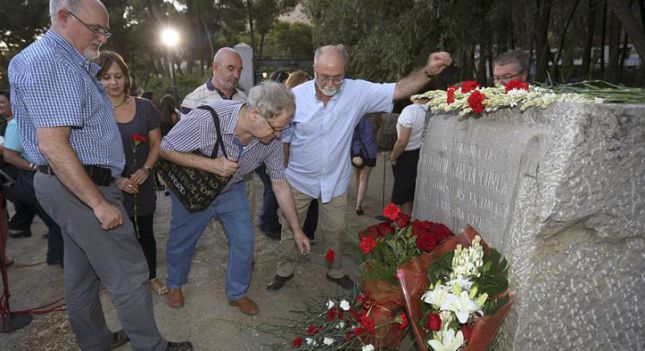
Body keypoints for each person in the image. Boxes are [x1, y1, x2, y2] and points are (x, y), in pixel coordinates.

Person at [8, 0, 192, 350]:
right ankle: (152, 347)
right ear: (63, 17)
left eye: (105, 30)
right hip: (81, 187)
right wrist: (97, 202)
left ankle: (96, 341)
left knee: (81, 276)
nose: (102, 37)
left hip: (69, 184)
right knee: (130, 272)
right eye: (96, 29)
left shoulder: (54, 60)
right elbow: (52, 144)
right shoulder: (54, 63)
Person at [267, 45, 452, 291]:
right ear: (314, 70)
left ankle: (335, 270)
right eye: (324, 76)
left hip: (335, 181)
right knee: (291, 228)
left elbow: (398, 89)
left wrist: (427, 72)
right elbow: (283, 139)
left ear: (345, 71)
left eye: (337, 77)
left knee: (336, 231)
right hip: (298, 180)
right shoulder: (294, 97)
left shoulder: (356, 91)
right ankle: (284, 268)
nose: (331, 83)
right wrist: (282, 174)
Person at [161, 82, 310, 315]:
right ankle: (173, 285)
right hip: (195, 191)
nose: (280, 135)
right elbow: (166, 147)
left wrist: (297, 230)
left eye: (283, 129)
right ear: (255, 115)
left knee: (245, 240)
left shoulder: (271, 142)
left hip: (231, 191)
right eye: (276, 128)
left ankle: (237, 293)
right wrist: (212, 165)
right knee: (182, 241)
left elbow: (280, 184)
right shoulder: (209, 117)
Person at [95, 50, 166, 295]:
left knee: (145, 232)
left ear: (127, 77)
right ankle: (124, 281)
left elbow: (157, 144)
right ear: (97, 79)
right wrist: (117, 180)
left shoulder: (144, 107)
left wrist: (146, 170)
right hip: (108, 186)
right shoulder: (94, 111)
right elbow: (91, 153)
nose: (113, 82)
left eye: (118, 76)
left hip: (142, 183)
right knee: (116, 237)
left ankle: (151, 276)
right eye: (106, 77)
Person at [180, 47, 257, 226]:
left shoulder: (243, 99)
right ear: (215, 66)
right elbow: (184, 147)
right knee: (225, 238)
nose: (236, 74)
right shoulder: (194, 100)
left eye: (239, 70)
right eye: (231, 68)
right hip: (215, 182)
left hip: (245, 180)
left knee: (245, 231)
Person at [2, 90, 65, 267]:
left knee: (55, 222)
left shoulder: (34, 120)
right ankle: (62, 259)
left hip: (43, 175)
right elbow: (9, 155)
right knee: (56, 221)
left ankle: (55, 256)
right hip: (34, 179)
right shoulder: (16, 125)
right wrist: (34, 166)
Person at [0, 90, 38, 239]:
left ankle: (19, 226)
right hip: (15, 174)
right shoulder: (9, 125)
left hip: (24, 172)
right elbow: (9, 155)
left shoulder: (17, 123)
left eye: (3, 102)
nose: (0, 106)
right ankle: (19, 226)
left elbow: (9, 152)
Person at [389, 99, 428, 215]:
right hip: (422, 154)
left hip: (407, 157)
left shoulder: (410, 111)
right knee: (412, 195)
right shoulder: (431, 110)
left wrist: (393, 157)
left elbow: (402, 142)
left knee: (404, 199)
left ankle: (405, 230)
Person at [352, 112, 382, 215]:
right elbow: (378, 137)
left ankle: (358, 197)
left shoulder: (356, 114)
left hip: (356, 151)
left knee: (357, 176)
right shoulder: (377, 116)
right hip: (370, 151)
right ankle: (358, 204)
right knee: (364, 179)